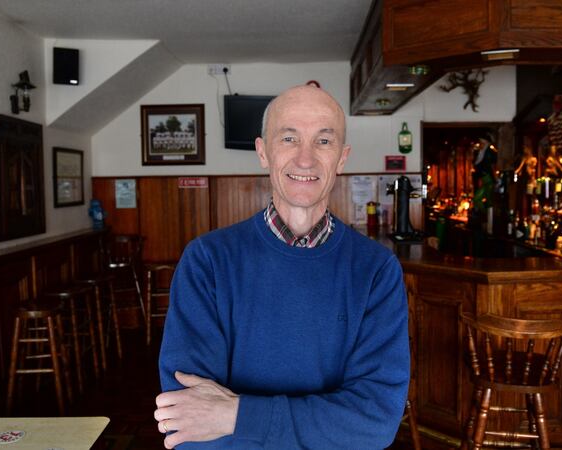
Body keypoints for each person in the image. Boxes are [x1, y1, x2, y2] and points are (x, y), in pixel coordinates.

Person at [153, 85, 410, 449]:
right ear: (263, 152)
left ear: (342, 158)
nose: (305, 159)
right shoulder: (207, 260)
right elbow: (188, 424)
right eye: (289, 138)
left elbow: (374, 423)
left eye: (323, 141)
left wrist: (235, 416)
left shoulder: (376, 269)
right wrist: (318, 426)